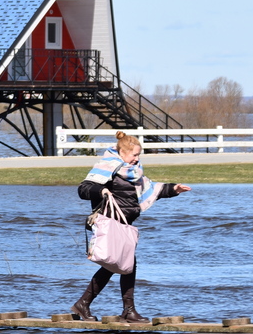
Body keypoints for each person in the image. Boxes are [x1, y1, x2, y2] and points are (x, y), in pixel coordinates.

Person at [71, 131, 191, 323]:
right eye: (134, 155)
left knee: (121, 265)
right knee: (120, 264)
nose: (137, 158)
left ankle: (88, 304)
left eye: (138, 155)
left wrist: (173, 189)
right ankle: (118, 308)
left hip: (125, 225)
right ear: (123, 152)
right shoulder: (108, 166)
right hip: (109, 223)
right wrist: (101, 190)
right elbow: (83, 189)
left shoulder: (134, 172)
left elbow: (151, 188)